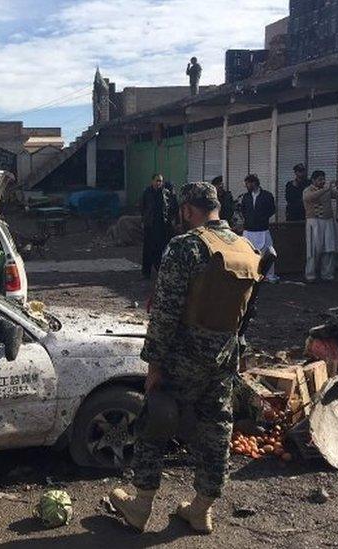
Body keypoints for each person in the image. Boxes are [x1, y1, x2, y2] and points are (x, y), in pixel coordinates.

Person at [110, 182, 261, 535]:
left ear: (187, 210)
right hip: (223, 357)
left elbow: (165, 311)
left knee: (154, 423)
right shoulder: (246, 247)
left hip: (183, 356)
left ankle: (140, 505)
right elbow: (245, 313)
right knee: (217, 430)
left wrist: (154, 364)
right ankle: (201, 510)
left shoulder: (185, 247)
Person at [303, 171, 338, 282]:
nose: (322, 181)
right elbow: (310, 198)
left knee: (329, 248)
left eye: (323, 179)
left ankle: (327, 274)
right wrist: (326, 189)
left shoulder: (327, 190)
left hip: (328, 221)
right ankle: (310, 275)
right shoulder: (307, 190)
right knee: (313, 249)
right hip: (314, 222)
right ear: (313, 180)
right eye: (319, 179)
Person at [238, 174, 279, 282]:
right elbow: (243, 210)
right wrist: (248, 219)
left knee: (268, 252)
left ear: (254, 183)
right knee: (247, 252)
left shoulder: (267, 195)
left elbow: (272, 209)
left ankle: (269, 275)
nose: (246, 186)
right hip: (249, 229)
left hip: (263, 228)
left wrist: (262, 218)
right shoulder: (246, 197)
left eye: (248, 183)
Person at [140, 174, 178, 277]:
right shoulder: (147, 192)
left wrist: (171, 221)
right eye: (157, 181)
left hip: (162, 225)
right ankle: (146, 273)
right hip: (150, 224)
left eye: (160, 181)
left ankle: (159, 269)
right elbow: (142, 207)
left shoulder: (166, 193)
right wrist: (143, 220)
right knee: (148, 249)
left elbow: (171, 207)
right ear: (152, 181)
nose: (158, 183)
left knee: (160, 248)